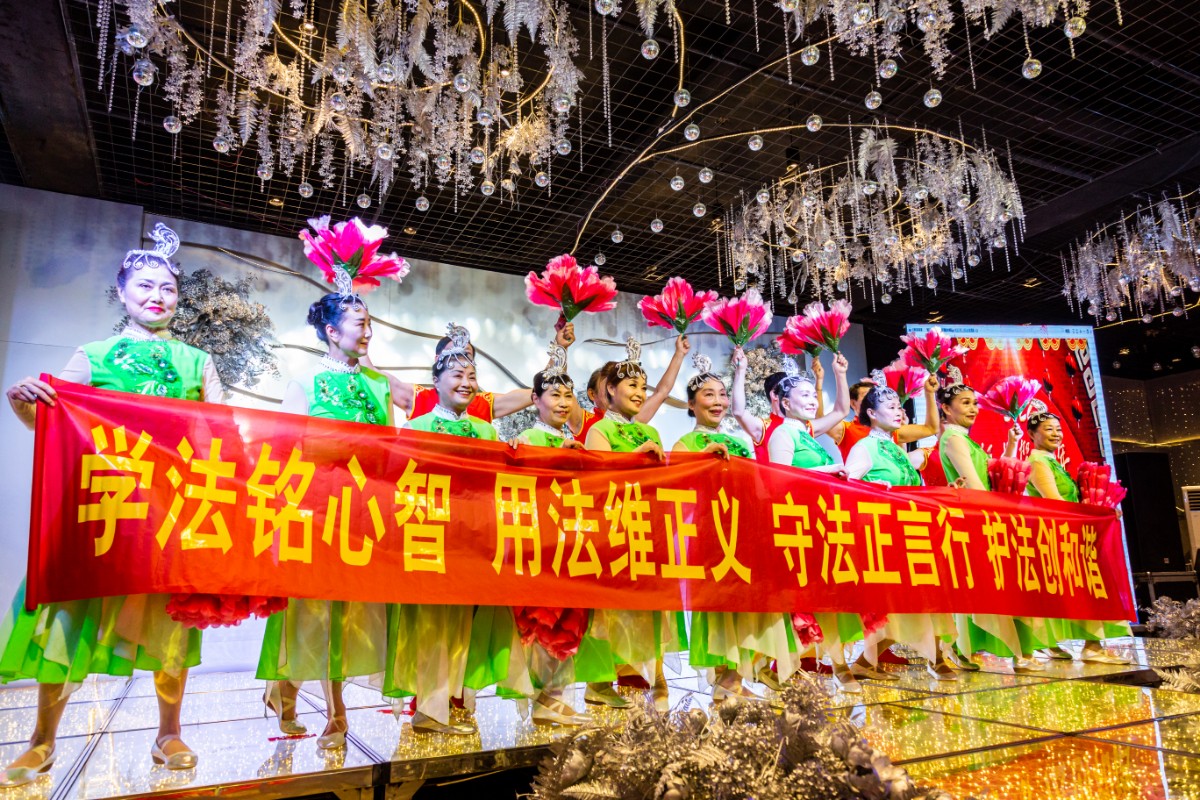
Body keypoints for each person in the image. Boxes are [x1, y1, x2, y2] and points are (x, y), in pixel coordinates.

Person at [0, 224, 219, 783]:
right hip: (102, 509)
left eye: (168, 288)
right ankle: (42, 740)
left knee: (171, 624)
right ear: (121, 292)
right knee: (69, 617)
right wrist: (25, 402)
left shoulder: (197, 362)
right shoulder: (94, 355)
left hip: (169, 514)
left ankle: (168, 733)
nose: (157, 296)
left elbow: (221, 435)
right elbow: (50, 420)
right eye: (144, 285)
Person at [258, 291, 394, 751]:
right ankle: (336, 713)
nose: (368, 331)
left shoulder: (378, 385)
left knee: (348, 613)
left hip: (362, 513)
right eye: (359, 323)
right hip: (315, 513)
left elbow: (390, 452)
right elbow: (282, 451)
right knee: (313, 613)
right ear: (332, 331)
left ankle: (286, 691)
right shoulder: (305, 381)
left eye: (370, 322)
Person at [386, 325, 504, 734]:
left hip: (472, 540)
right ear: (434, 381)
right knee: (431, 623)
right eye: (456, 375)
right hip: (429, 537)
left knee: (463, 623)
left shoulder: (487, 431)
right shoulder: (416, 428)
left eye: (472, 376)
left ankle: (456, 703)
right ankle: (428, 709)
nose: (466, 383)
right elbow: (395, 483)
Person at [674, 354, 797, 698]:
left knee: (750, 605)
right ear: (691, 404)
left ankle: (735, 679)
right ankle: (726, 681)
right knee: (723, 605)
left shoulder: (741, 443)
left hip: (747, 531)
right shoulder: (686, 444)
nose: (718, 401)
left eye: (722, 394)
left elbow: (758, 489)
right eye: (708, 395)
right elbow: (679, 490)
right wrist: (701, 461)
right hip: (713, 533)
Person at [581, 339, 681, 711]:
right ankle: (604, 680)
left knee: (648, 606)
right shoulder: (599, 431)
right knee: (612, 609)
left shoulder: (650, 432)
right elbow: (596, 482)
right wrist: (634, 458)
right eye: (631, 386)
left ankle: (649, 675)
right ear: (610, 389)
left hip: (648, 527)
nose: (640, 392)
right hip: (615, 529)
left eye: (642, 386)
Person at [845, 377, 958, 682]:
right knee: (898, 607)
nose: (899, 411)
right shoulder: (865, 447)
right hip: (886, 538)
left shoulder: (894, 448)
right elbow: (847, 484)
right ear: (871, 413)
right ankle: (871, 662)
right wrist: (873, 491)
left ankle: (933, 658)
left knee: (926, 599)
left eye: (899, 406)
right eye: (890, 406)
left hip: (911, 535)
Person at [764, 355, 861, 690]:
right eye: (803, 395)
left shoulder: (805, 431)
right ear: (784, 402)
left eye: (812, 395)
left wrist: (839, 373)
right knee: (801, 599)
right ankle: (793, 664)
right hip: (796, 527)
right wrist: (828, 470)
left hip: (819, 524)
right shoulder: (782, 434)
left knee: (826, 596)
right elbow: (779, 480)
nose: (812, 401)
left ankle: (835, 662)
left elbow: (841, 410)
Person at [937, 381, 1045, 674]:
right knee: (999, 588)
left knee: (997, 589)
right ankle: (1017, 654)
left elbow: (991, 474)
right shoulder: (954, 439)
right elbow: (975, 485)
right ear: (946, 409)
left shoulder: (963, 439)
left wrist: (1011, 444)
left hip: (984, 517)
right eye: (965, 403)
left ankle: (1011, 652)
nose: (973, 408)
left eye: (974, 402)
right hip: (976, 520)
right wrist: (1001, 513)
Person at [509, 343, 590, 725]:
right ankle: (544, 699)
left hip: (571, 541)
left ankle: (556, 699)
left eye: (568, 395)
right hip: (541, 544)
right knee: (543, 621)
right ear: (535, 400)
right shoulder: (527, 438)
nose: (562, 402)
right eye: (554, 395)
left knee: (568, 622)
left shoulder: (574, 440)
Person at [1024, 412, 1130, 664]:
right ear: (1032, 434)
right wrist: (1093, 514)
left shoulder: (1050, 461)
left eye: (1058, 429)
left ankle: (1055, 644)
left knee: (1069, 592)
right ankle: (1090, 647)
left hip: (1068, 534)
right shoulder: (1037, 461)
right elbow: (1055, 502)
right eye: (1048, 429)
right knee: (1088, 589)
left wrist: (1103, 510)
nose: (1056, 434)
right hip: (1058, 536)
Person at [372, 324, 578, 423]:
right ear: (437, 364)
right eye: (453, 358)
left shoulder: (483, 404)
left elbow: (542, 389)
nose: (461, 363)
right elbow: (371, 375)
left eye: (467, 358)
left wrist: (560, 349)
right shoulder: (417, 398)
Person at [575, 333, 690, 440]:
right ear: (592, 394)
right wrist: (564, 348)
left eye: (643, 388)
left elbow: (661, 392)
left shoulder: (633, 422)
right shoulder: (583, 420)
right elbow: (564, 395)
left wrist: (679, 354)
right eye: (609, 386)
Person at [822, 368, 941, 462]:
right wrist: (820, 384)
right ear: (853, 403)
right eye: (866, 396)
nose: (872, 400)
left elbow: (931, 428)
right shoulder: (846, 430)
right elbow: (820, 420)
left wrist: (929, 393)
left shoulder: (890, 430)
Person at [728, 349, 785, 464]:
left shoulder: (804, 426)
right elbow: (739, 412)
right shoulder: (765, 427)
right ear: (774, 395)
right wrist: (740, 370)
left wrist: (820, 381)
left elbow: (827, 418)